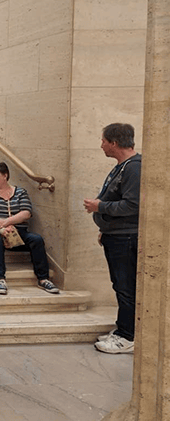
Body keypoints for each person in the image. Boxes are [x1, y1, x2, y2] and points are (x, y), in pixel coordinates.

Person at [84, 123, 141, 354]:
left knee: (126, 286)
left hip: (126, 238)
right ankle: (122, 329)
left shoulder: (134, 168)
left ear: (114, 143)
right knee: (120, 285)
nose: (101, 145)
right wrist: (104, 227)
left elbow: (133, 205)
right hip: (115, 235)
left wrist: (100, 206)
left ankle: (128, 337)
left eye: (103, 141)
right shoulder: (123, 166)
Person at [0, 161, 60, 296]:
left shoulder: (20, 192)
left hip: (17, 232)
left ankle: (43, 279)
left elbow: (26, 213)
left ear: (5, 176)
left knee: (36, 239)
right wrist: (3, 230)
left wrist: (7, 222)